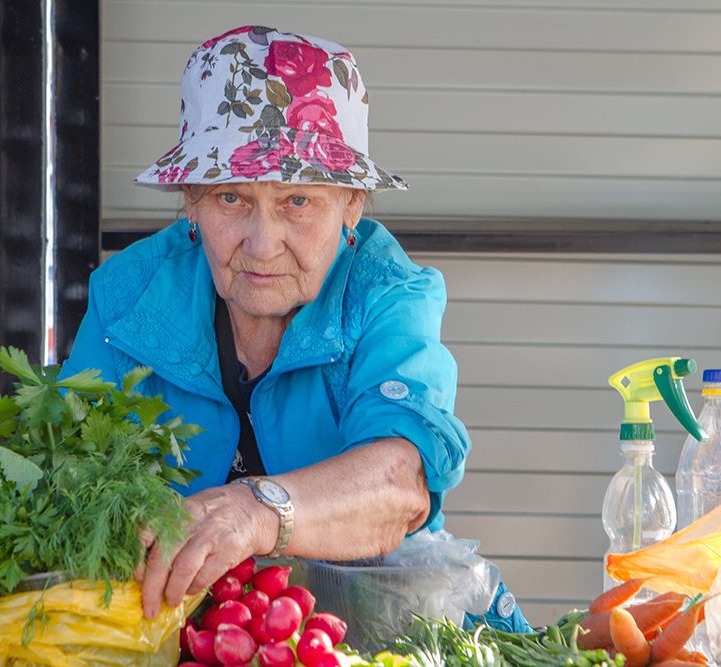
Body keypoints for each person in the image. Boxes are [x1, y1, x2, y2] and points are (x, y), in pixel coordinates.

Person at [62, 25, 531, 632]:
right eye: (231, 198)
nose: (263, 244)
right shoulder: (129, 296)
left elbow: (400, 482)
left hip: (374, 628)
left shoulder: (387, 295)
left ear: (352, 205)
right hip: (186, 635)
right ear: (192, 205)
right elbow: (68, 482)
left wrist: (259, 511)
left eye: (298, 202)